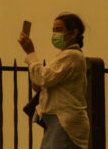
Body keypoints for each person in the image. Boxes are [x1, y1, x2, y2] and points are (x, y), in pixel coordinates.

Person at [17, 13, 89, 149]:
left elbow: (44, 77)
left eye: (59, 30)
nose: (55, 34)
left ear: (73, 33)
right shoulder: (65, 56)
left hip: (65, 122)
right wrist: (40, 84)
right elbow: (47, 80)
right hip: (57, 122)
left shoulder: (72, 56)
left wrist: (30, 52)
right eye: (53, 30)